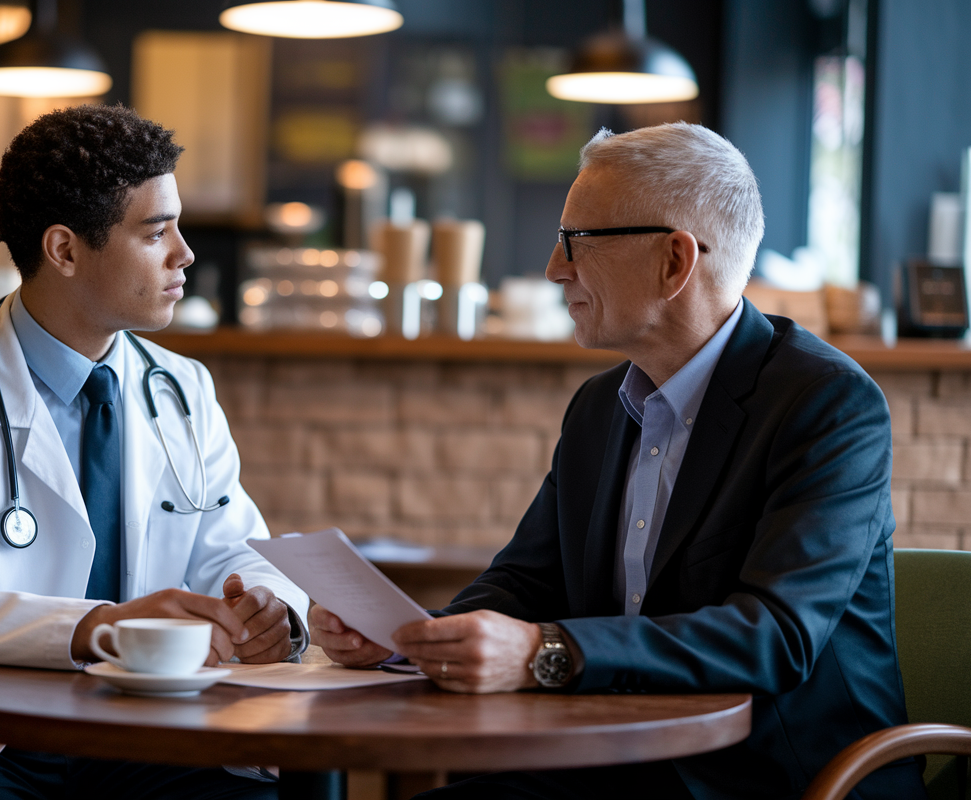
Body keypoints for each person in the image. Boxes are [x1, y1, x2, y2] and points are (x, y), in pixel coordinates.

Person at [312, 123, 924, 799]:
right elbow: (526, 581)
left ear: (674, 261)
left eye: (577, 241)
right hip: (614, 762)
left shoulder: (827, 404)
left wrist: (545, 653)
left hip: (772, 778)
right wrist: (409, 640)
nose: (553, 267)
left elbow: (773, 636)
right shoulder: (600, 404)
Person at [0, 104, 308, 800]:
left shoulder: (182, 388)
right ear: (65, 251)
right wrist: (98, 627)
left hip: (149, 734)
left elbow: (233, 549)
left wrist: (271, 610)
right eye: (156, 232)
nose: (185, 254)